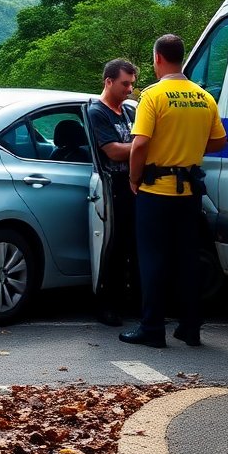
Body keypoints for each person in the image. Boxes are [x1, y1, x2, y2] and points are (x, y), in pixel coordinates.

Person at [120, 34, 226, 348]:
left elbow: (140, 143)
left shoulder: (153, 95)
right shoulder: (203, 97)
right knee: (187, 260)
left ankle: (152, 328)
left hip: (156, 191)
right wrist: (190, 147)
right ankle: (190, 327)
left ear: (158, 58)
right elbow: (219, 141)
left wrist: (134, 178)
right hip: (190, 193)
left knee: (153, 260)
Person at [86, 58, 140, 326]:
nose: (129, 89)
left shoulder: (128, 112)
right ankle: (107, 305)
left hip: (132, 185)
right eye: (124, 84)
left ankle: (134, 302)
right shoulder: (97, 112)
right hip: (113, 186)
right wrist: (143, 146)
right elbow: (113, 151)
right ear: (108, 81)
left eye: (131, 84)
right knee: (114, 246)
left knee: (133, 246)